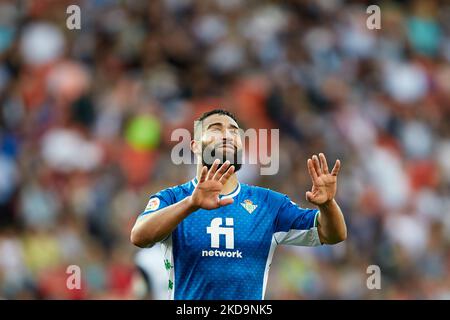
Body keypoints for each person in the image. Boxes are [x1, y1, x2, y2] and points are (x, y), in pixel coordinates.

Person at [130, 109, 347, 300]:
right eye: (216, 128)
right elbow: (139, 236)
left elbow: (332, 234)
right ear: (195, 146)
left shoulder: (269, 204)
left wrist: (328, 204)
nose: (227, 134)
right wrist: (191, 204)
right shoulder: (174, 199)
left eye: (234, 131)